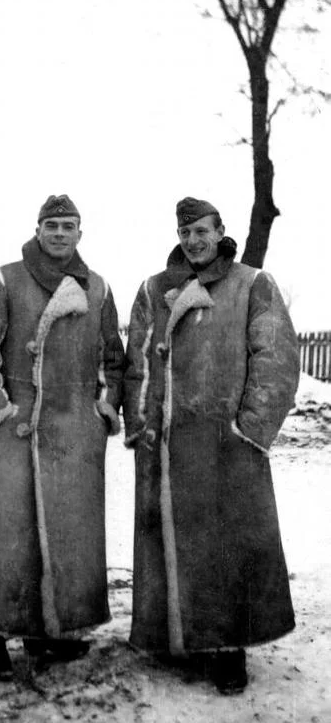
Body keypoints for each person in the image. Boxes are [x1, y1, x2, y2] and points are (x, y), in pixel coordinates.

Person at [123, 197, 300, 694]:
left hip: (227, 444)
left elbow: (277, 360)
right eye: (186, 233)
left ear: (220, 231)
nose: (194, 240)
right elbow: (137, 359)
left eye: (202, 231)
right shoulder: (154, 290)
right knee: (171, 540)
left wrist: (252, 429)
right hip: (165, 446)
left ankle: (227, 649)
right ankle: (175, 638)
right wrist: (140, 423)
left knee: (229, 545)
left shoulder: (252, 284)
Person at [0, 195, 124, 679]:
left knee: (64, 538)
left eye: (69, 226)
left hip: (72, 436)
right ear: (38, 229)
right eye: (52, 225)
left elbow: (113, 358)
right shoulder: (1, 281)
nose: (60, 233)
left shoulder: (100, 290)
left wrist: (102, 409)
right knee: (4, 538)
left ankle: (48, 632)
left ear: (80, 234)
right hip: (13, 434)